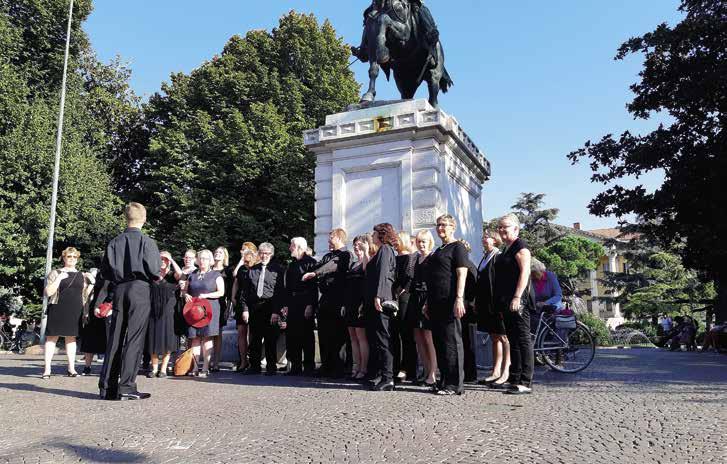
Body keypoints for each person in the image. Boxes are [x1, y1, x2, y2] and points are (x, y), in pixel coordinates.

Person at [99, 203, 161, 400]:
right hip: (139, 289)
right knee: (134, 338)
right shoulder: (147, 241)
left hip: (119, 289)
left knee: (115, 338)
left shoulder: (114, 242)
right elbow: (154, 269)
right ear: (144, 218)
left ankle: (107, 388)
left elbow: (105, 272)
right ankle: (127, 386)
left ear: (126, 218)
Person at [424, 214, 468, 396]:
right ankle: (444, 381)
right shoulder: (439, 249)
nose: (440, 228)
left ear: (452, 227)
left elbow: (461, 274)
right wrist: (427, 302)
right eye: (438, 225)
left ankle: (455, 384)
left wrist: (459, 298)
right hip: (435, 302)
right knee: (440, 343)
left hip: (450, 301)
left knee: (452, 342)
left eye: (444, 225)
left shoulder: (458, 247)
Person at [494, 213, 535, 395]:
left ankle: (525, 381)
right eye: (500, 227)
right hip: (507, 301)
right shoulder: (507, 248)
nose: (502, 230)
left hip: (519, 301)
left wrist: (517, 297)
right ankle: (515, 378)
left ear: (516, 229)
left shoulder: (521, 247)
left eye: (506, 227)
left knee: (523, 339)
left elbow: (525, 273)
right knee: (513, 340)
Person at [302, 228, 352, 378]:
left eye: (331, 238)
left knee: (338, 335)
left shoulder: (345, 255)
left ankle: (339, 367)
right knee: (324, 334)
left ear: (339, 238)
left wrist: (315, 273)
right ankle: (326, 365)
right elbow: (320, 266)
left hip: (338, 299)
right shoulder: (328, 255)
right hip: (325, 298)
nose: (329, 241)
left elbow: (331, 266)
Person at [43, 247, 94, 379]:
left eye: (74, 257)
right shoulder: (55, 272)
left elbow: (84, 296)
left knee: (71, 338)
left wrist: (92, 284)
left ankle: (71, 368)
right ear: (64, 258)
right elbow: (48, 292)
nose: (71, 259)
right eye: (69, 256)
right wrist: (59, 278)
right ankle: (47, 369)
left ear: (77, 259)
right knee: (52, 338)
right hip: (57, 308)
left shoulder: (82, 275)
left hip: (75, 309)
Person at [238, 243, 285, 375]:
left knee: (270, 338)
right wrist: (245, 309)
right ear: (258, 253)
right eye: (262, 253)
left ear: (271, 254)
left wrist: (276, 311)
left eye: (267, 253)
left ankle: (271, 367)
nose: (264, 256)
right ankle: (254, 366)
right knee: (254, 339)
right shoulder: (252, 270)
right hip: (254, 307)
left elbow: (280, 292)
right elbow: (245, 292)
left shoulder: (278, 270)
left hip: (270, 307)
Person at [365, 223, 398, 391]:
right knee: (378, 339)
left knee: (383, 339)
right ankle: (381, 375)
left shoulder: (385, 250)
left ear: (381, 235)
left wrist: (378, 296)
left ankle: (388, 377)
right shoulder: (382, 250)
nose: (372, 236)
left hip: (381, 299)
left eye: (374, 233)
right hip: (377, 298)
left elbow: (383, 275)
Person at [475, 229, 510, 387]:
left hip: (498, 305)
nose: (484, 239)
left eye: (486, 237)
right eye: (483, 237)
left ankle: (506, 371)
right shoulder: (485, 257)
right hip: (486, 304)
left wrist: (503, 305)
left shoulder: (498, 257)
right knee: (494, 337)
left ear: (495, 240)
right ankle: (495, 371)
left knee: (504, 337)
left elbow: (502, 283)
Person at [182, 249, 224, 377]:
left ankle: (205, 367)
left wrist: (207, 295)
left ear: (210, 261)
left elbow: (221, 292)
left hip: (210, 309)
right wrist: (186, 295)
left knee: (207, 338)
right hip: (194, 311)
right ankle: (195, 367)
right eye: (200, 258)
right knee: (194, 339)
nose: (202, 261)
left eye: (205, 258)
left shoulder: (216, 275)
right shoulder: (192, 274)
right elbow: (184, 291)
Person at [282, 237, 318, 375]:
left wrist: (310, 305)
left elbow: (313, 287)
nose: (290, 248)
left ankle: (309, 366)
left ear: (299, 247)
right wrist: (286, 305)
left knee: (307, 336)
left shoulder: (311, 263)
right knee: (293, 335)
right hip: (293, 302)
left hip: (305, 302)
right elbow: (288, 287)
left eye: (292, 246)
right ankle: (296, 366)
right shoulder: (291, 265)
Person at [408, 229, 438, 387]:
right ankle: (426, 371)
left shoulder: (433, 257)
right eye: (419, 241)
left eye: (424, 241)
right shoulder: (416, 258)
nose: (421, 244)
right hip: (415, 298)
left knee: (428, 338)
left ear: (430, 242)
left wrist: (428, 302)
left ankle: (433, 373)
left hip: (428, 298)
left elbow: (435, 282)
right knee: (418, 338)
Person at [145, 251, 180, 378]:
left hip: (168, 311)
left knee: (167, 340)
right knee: (153, 339)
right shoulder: (152, 276)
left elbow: (181, 275)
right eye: (161, 259)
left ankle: (163, 369)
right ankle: (154, 368)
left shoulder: (172, 275)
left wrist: (172, 259)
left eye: (165, 260)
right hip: (153, 311)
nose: (163, 262)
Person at [345, 234, 375, 380]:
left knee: (361, 337)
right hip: (350, 303)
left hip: (361, 303)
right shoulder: (352, 263)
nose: (356, 247)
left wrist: (366, 252)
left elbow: (368, 274)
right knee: (353, 338)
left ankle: (364, 369)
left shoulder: (367, 261)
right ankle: (356, 367)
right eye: (354, 244)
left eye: (359, 244)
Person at [393, 231, 418, 382]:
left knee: (407, 335)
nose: (394, 244)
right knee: (395, 335)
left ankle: (408, 368)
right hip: (394, 298)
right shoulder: (394, 258)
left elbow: (410, 278)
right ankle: (396, 367)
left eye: (396, 241)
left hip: (405, 299)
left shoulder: (410, 258)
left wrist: (402, 290)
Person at [231, 243, 258, 372]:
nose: (243, 251)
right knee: (241, 332)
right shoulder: (242, 268)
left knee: (253, 332)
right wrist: (232, 297)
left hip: (253, 303)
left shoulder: (257, 268)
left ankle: (253, 360)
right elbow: (236, 281)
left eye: (246, 250)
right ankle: (243, 361)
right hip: (241, 302)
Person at [80, 268, 108, 376]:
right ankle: (87, 367)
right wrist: (85, 312)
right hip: (92, 310)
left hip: (106, 309)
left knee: (106, 341)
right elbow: (85, 294)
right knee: (89, 340)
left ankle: (105, 368)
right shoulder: (93, 275)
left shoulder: (111, 274)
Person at [210, 246, 234, 372]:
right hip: (207, 302)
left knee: (217, 332)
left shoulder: (228, 270)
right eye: (216, 252)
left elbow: (231, 287)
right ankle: (206, 360)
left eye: (220, 252)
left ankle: (216, 362)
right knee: (207, 332)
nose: (217, 254)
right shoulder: (208, 268)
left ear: (225, 256)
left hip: (220, 302)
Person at [459, 240, 479, 384]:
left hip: (468, 309)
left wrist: (469, 304)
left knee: (468, 342)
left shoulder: (469, 266)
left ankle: (471, 374)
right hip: (466, 307)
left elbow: (473, 290)